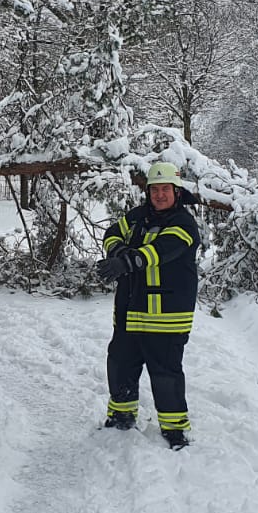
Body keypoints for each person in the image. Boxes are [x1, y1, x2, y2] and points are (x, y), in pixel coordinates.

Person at [94, 160, 201, 449]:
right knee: (120, 365)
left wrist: (126, 261)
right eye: (155, 190)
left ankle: (175, 429)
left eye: (166, 189)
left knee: (165, 375)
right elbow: (112, 233)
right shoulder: (138, 216)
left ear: (177, 191)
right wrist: (118, 250)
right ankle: (121, 416)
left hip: (166, 317)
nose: (160, 195)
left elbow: (160, 251)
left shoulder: (184, 224)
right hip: (130, 313)